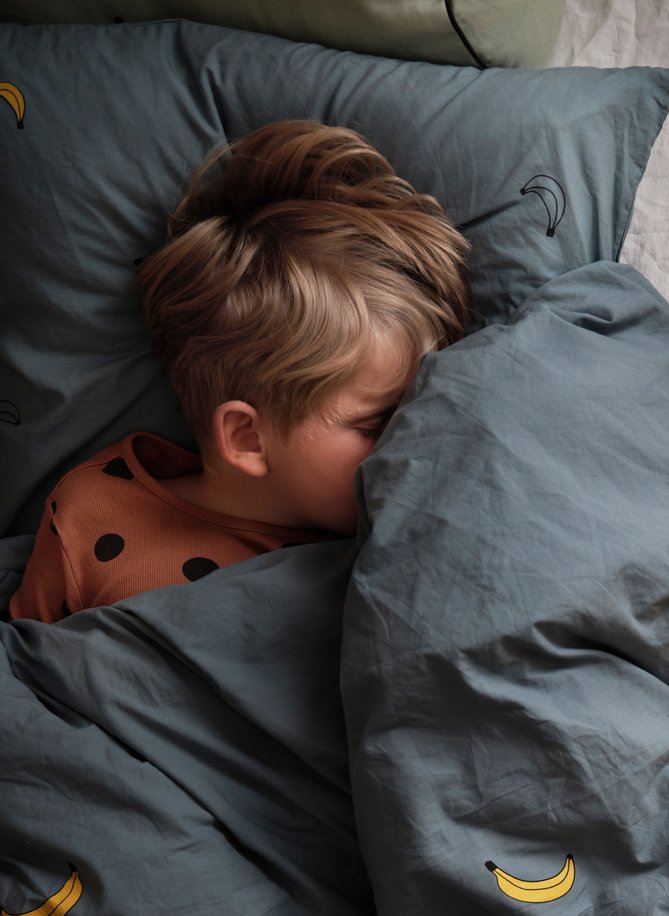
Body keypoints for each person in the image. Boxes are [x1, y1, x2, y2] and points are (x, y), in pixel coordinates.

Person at [9, 119, 471, 623]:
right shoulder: (90, 516)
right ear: (247, 437)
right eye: (373, 425)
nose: (412, 439)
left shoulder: (398, 539)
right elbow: (24, 673)